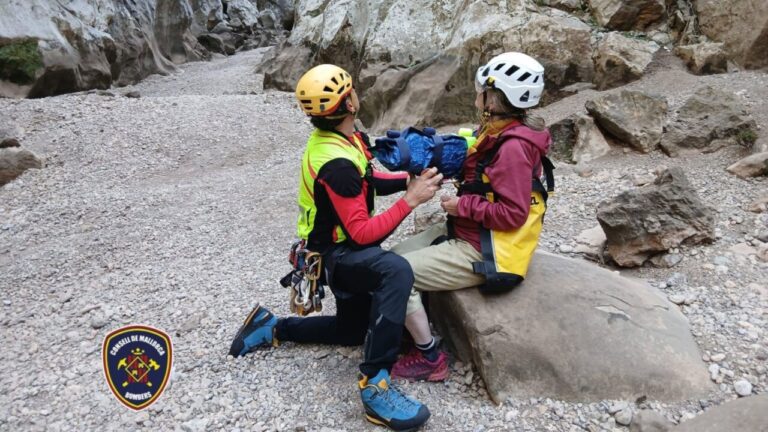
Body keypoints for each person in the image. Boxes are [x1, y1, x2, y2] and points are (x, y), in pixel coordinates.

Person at [228, 64, 443, 431]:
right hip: (337, 258)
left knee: (352, 332)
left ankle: (273, 327)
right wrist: (411, 200)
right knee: (395, 270)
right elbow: (361, 234)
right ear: (350, 103)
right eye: (353, 90)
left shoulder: (342, 140)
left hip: (331, 250)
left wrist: (410, 179)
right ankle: (376, 385)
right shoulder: (338, 164)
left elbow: (369, 178)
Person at [389, 52, 554, 382]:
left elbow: (512, 214)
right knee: (391, 259)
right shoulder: (500, 129)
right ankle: (407, 327)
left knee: (394, 276)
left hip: (484, 248)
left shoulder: (511, 148)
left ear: (493, 96)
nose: (476, 92)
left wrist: (461, 206)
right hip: (469, 231)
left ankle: (429, 357)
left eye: (481, 87)